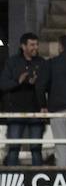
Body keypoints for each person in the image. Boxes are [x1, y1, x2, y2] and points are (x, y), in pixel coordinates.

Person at [0, 34, 46, 167]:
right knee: (14, 149)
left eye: (36, 44)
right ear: (23, 46)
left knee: (36, 149)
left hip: (36, 111)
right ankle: (11, 179)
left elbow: (46, 85)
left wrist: (37, 83)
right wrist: (18, 81)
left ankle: (39, 179)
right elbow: (3, 84)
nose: (35, 47)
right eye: (32, 45)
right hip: (15, 112)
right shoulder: (12, 62)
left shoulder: (41, 62)